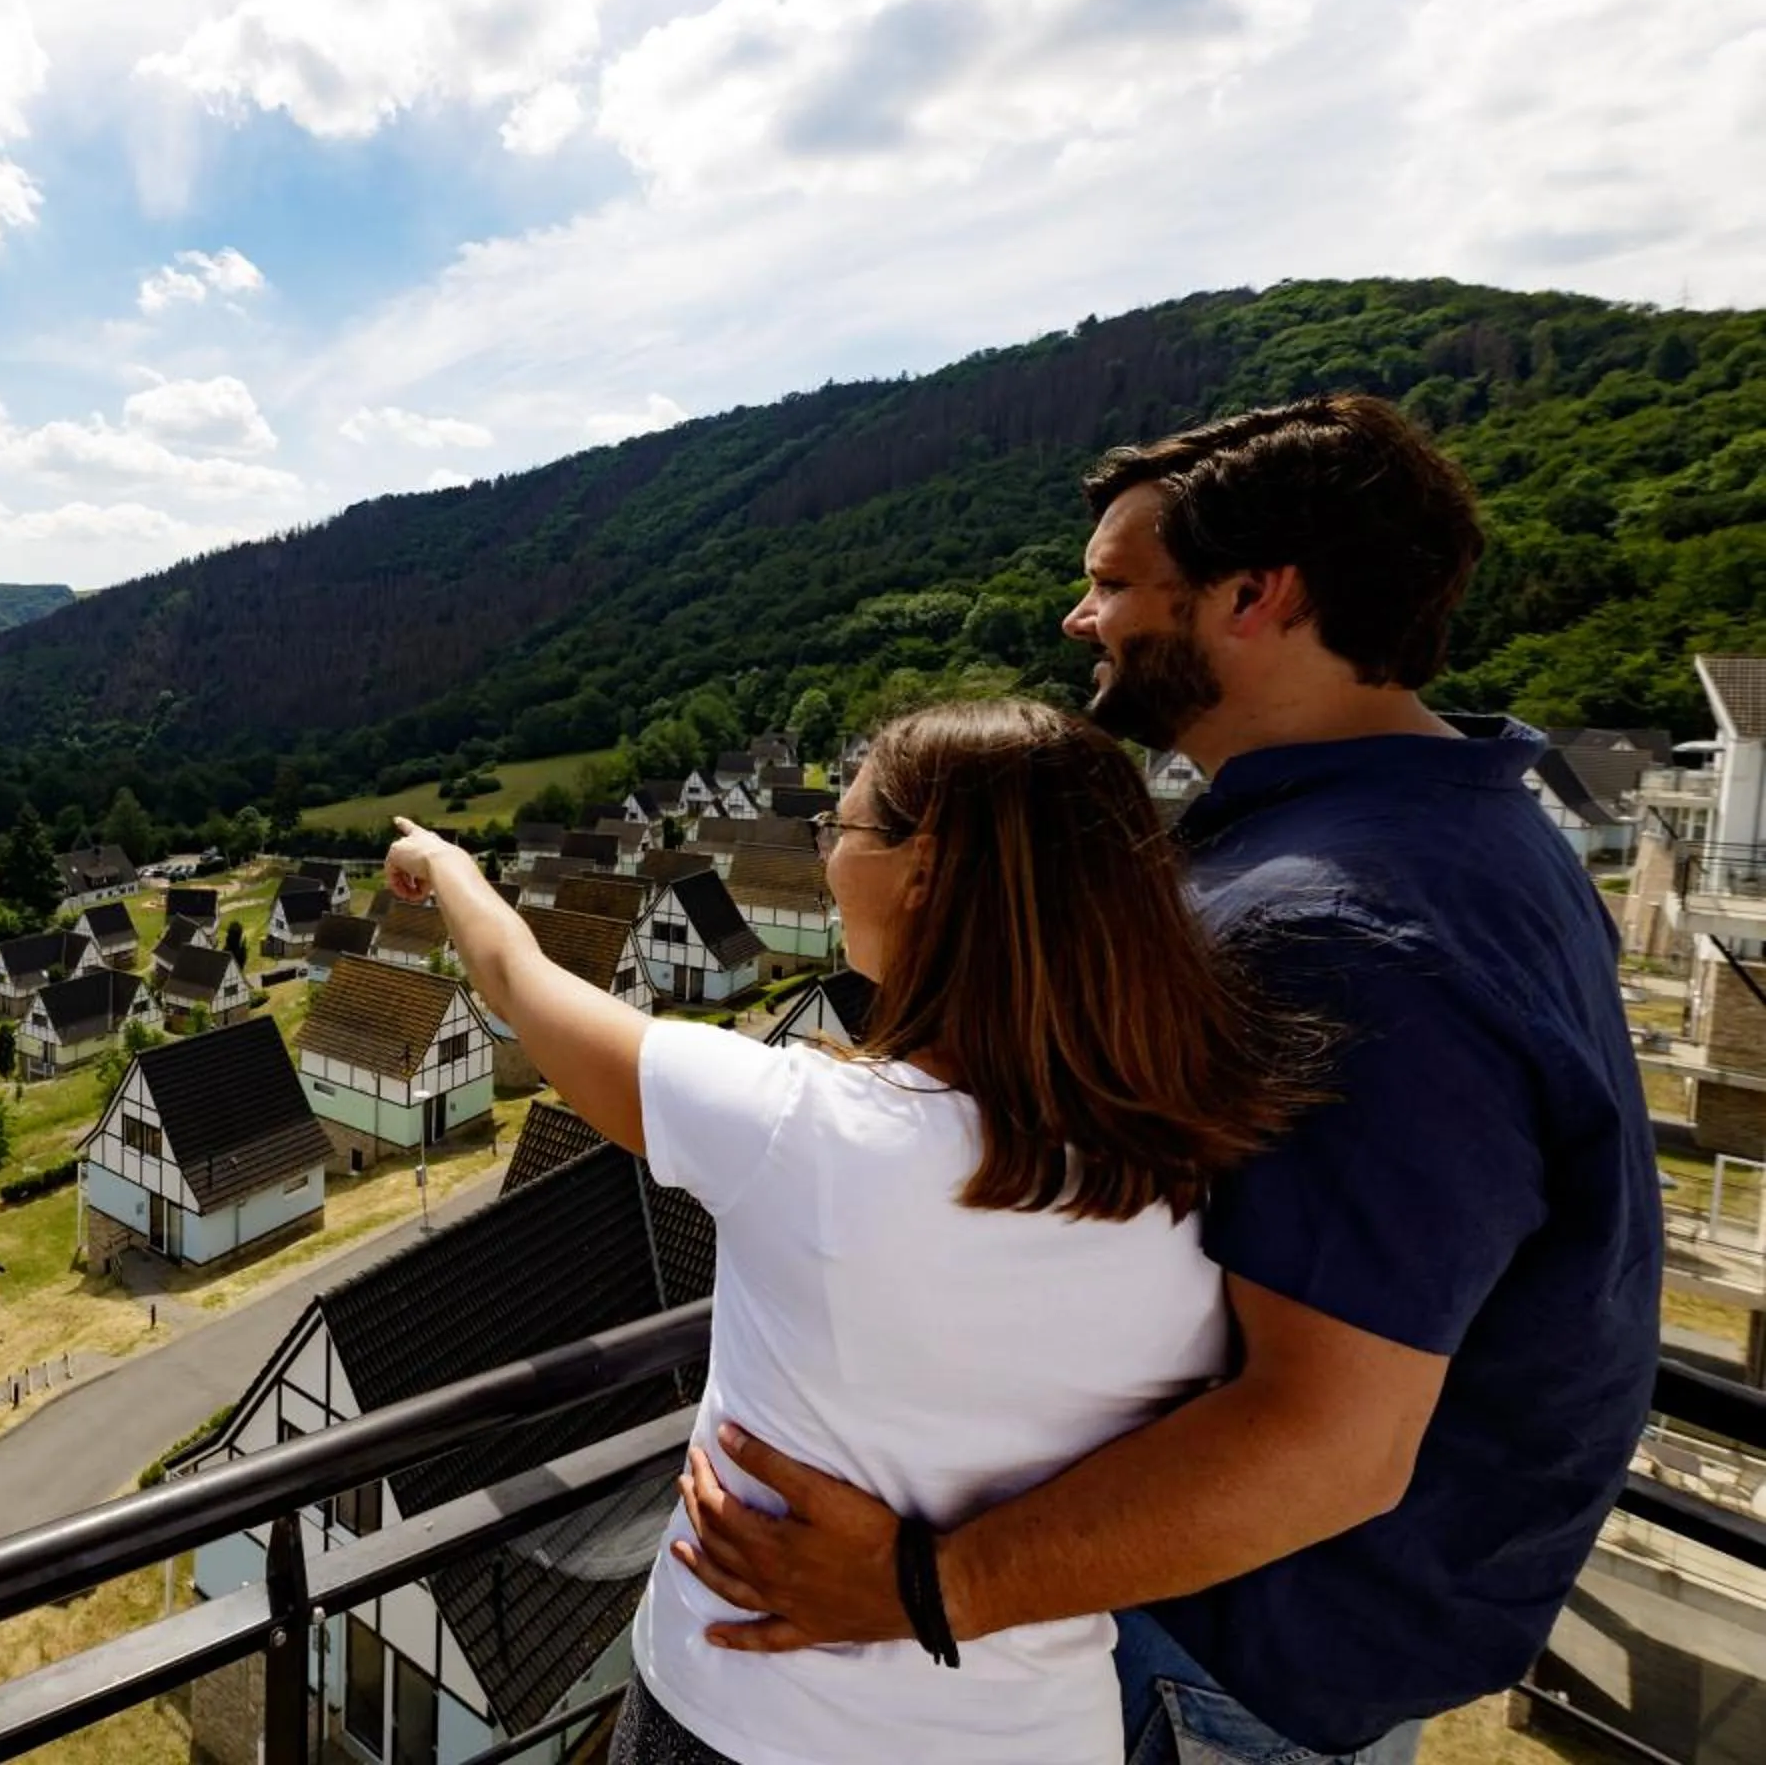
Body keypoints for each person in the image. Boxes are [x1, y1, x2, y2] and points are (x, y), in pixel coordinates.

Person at [666, 395, 1662, 1764]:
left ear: (1259, 596)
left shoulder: (1340, 931)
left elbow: (1328, 1440)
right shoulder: (1474, 831)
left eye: (1118, 585)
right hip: (1340, 1620)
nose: (1084, 620)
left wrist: (926, 1588)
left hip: (1233, 1641)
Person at [380, 695, 1326, 1764]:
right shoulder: (1203, 1157)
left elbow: (520, 979)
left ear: (923, 872)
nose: (828, 854)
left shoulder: (802, 1130)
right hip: (1034, 1732)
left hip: (750, 1715)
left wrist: (449, 866)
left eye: (849, 827)